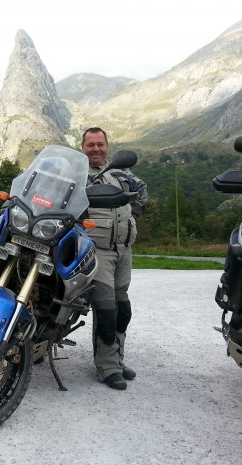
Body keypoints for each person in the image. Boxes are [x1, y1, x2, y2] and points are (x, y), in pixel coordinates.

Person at [81, 127, 147, 390]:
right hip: (96, 250)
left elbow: (142, 191)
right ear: (83, 147)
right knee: (106, 309)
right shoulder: (77, 173)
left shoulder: (120, 172)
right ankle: (108, 368)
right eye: (90, 145)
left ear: (107, 146)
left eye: (100, 144)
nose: (96, 149)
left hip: (123, 249)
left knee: (123, 310)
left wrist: (134, 212)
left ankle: (117, 360)